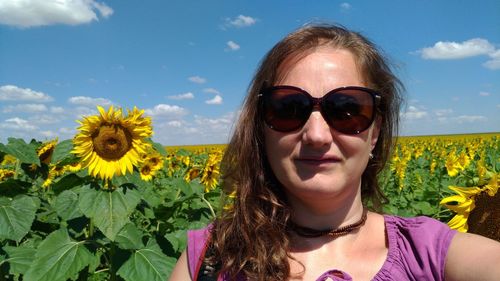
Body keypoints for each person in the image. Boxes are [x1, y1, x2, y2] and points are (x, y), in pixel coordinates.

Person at [169, 24, 500, 281]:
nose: (316, 135)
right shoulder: (210, 257)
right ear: (261, 129)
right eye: (288, 108)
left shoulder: (430, 255)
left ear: (375, 132)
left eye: (348, 109)